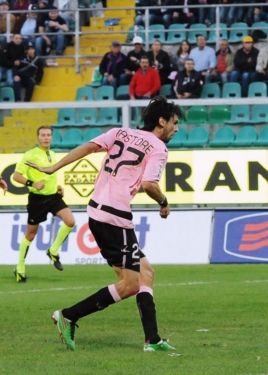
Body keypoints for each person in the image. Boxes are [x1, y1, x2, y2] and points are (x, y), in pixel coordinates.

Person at [28, 97, 185, 352]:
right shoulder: (158, 148)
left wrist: (54, 167)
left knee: (146, 274)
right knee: (130, 284)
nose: (176, 129)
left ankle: (152, 339)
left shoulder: (119, 132)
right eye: (174, 122)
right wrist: (164, 203)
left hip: (98, 211)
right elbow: (149, 185)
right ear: (161, 121)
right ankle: (69, 315)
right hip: (115, 218)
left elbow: (87, 148)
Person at [12, 126, 75, 282]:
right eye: (43, 135)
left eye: (49, 135)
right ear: (38, 137)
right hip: (37, 199)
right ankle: (20, 268)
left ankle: (53, 251)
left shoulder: (52, 154)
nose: (46, 137)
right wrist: (32, 183)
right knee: (31, 234)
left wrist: (58, 187)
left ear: (52, 138)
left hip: (53, 197)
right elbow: (16, 176)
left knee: (70, 221)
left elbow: (50, 176)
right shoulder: (30, 155)